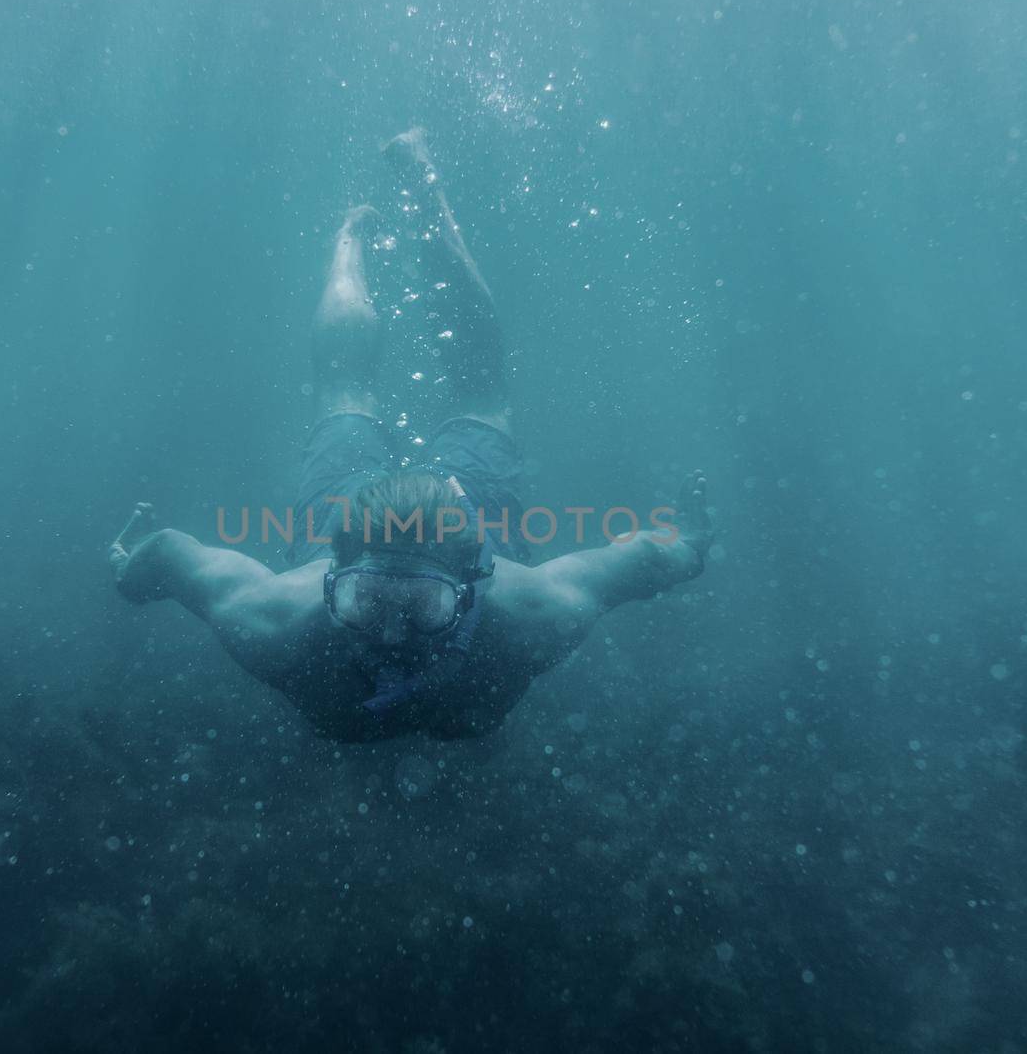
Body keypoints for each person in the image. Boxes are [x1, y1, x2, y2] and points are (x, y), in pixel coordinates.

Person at [110, 128, 711, 742]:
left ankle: (417, 202)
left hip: (440, 507)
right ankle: (359, 234)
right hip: (399, 510)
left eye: (424, 609)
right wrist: (687, 547)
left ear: (477, 577)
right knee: (476, 393)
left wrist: (129, 570)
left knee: (352, 394)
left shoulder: (532, 611)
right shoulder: (274, 620)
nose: (391, 636)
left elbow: (165, 557)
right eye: (368, 602)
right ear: (331, 574)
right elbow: (639, 559)